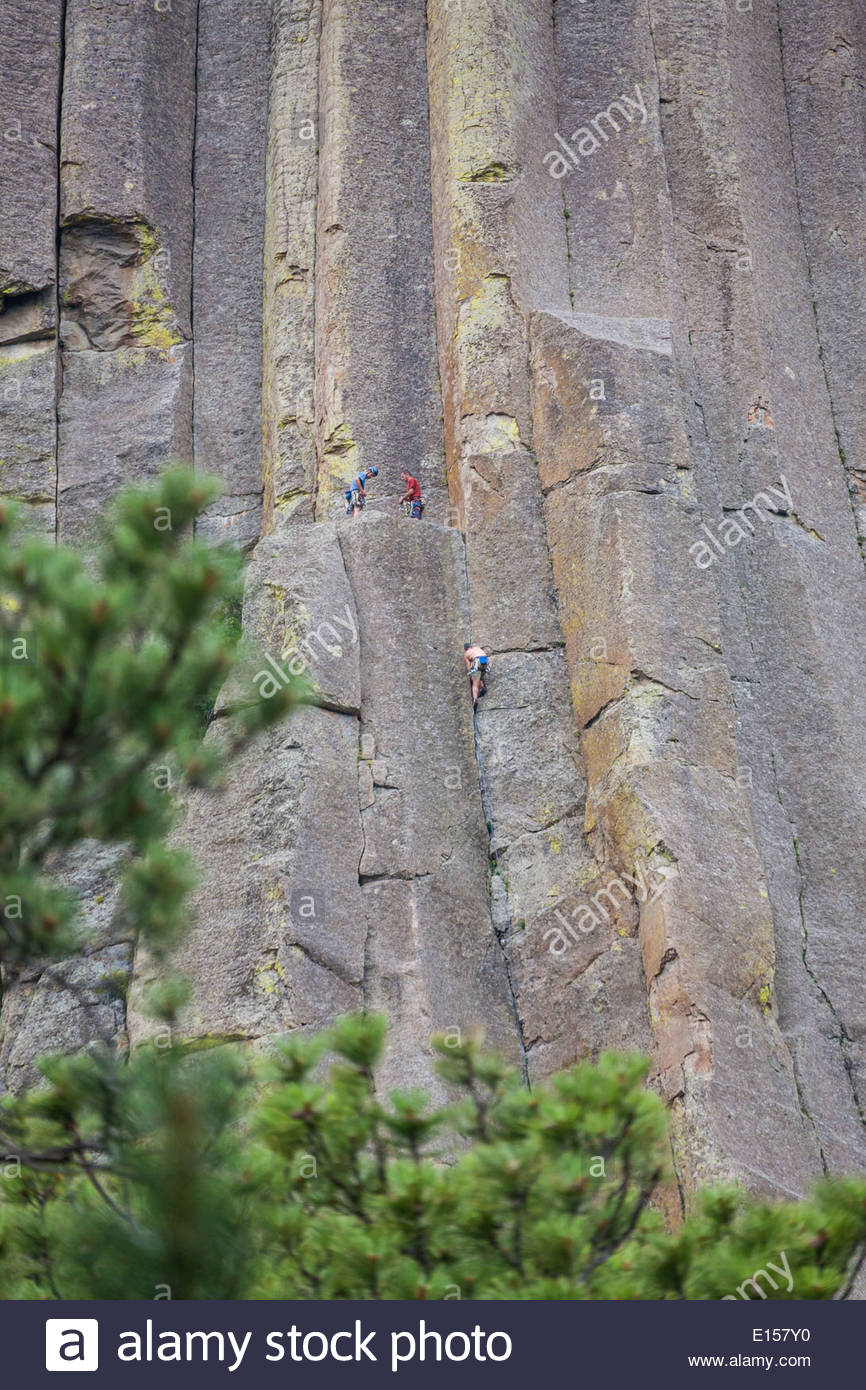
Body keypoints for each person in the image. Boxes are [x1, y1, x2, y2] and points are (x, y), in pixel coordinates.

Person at [464, 642, 488, 710]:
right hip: (485, 660)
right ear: (470, 647)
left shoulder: (466, 653)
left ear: (465, 649)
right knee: (479, 675)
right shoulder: (477, 648)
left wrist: (470, 674)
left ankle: (475, 700)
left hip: (477, 660)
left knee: (475, 683)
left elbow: (468, 666)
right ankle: (482, 687)